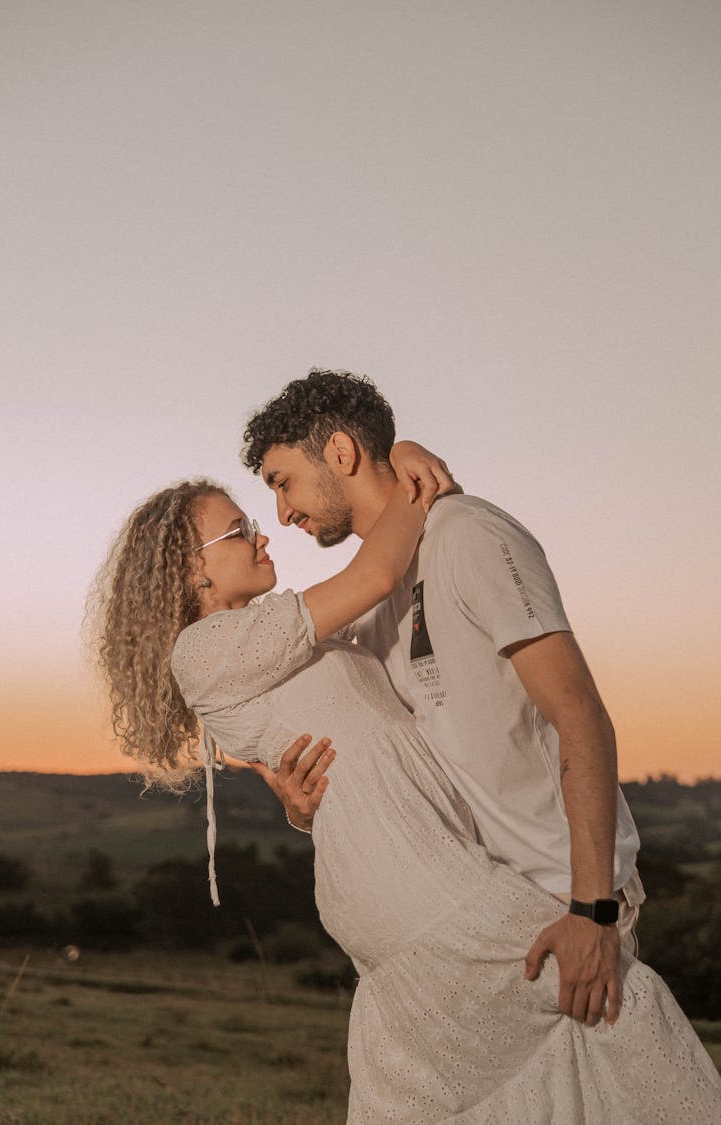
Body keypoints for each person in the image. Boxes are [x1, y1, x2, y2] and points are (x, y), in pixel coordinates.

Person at [90, 475, 721, 1123]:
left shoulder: (263, 638)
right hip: (404, 874)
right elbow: (374, 574)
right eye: (237, 530)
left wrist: (298, 803)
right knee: (607, 1000)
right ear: (188, 566)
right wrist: (412, 471)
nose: (263, 534)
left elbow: (311, 753)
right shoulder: (203, 649)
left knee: (540, 1050)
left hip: (411, 862)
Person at [241, 369, 643, 1029]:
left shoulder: (468, 534)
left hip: (566, 902)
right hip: (480, 908)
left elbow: (580, 715)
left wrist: (592, 910)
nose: (282, 513)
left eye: (283, 481)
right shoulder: (370, 595)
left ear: (340, 453)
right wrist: (304, 806)